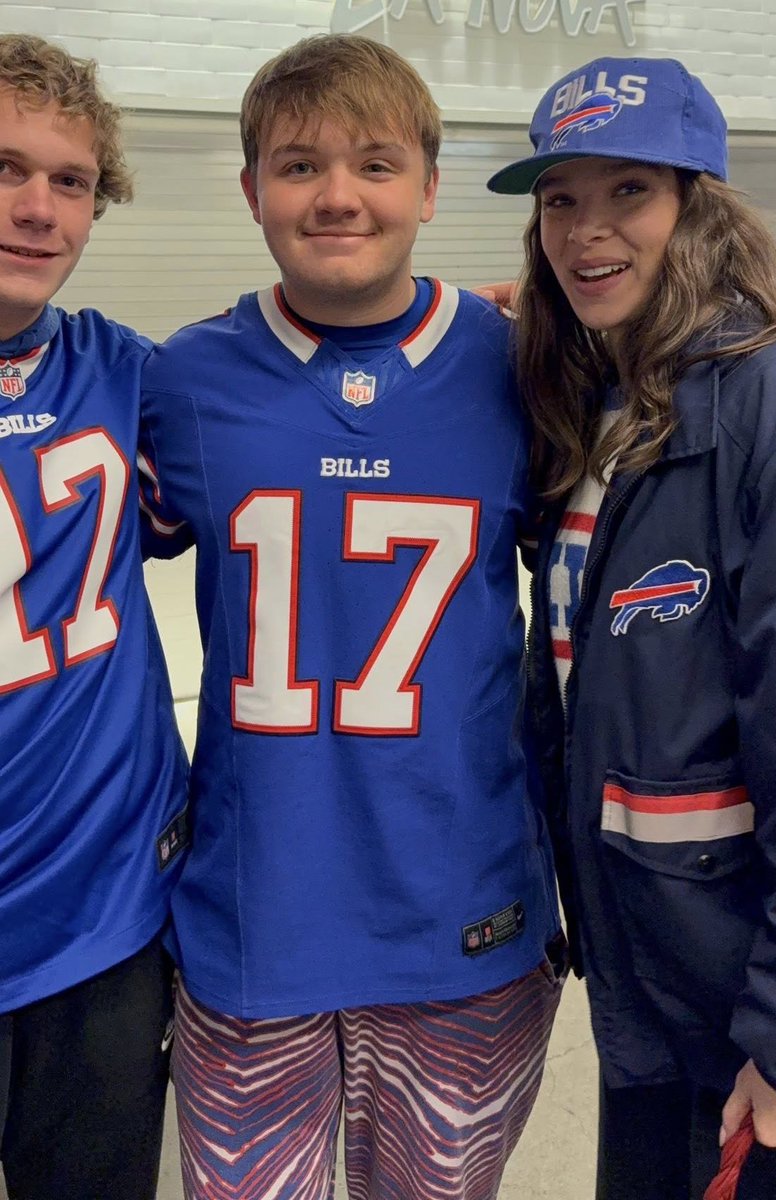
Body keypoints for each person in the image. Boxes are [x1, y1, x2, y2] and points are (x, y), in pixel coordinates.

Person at [138, 33, 564, 1200]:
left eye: (376, 164)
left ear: (429, 187)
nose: (337, 196)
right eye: (299, 165)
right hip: (251, 922)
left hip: (465, 918)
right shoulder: (181, 381)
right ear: (251, 191)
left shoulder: (527, 366)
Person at [486, 54, 776, 1199]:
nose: (586, 230)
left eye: (628, 191)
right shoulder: (604, 411)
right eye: (560, 199)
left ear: (698, 207)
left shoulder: (773, 416)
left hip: (747, 1013)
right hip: (647, 982)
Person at [0, 34, 188, 1200]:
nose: (38, 208)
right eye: (5, 168)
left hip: (99, 924)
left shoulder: (133, 379)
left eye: (70, 180)